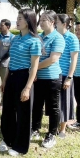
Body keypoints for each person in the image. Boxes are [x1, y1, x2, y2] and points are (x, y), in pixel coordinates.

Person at [0, 8, 41, 156]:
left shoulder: (34, 41)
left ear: (29, 22)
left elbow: (34, 67)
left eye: (21, 18)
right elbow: (11, 62)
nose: (17, 20)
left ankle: (20, 146)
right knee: (7, 111)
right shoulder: (15, 39)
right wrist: (5, 80)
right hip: (12, 76)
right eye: (18, 17)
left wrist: (27, 88)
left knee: (23, 114)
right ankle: (8, 140)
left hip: (24, 77)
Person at [31, 10, 65, 149]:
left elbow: (53, 59)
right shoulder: (39, 37)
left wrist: (35, 68)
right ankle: (35, 129)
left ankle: (51, 134)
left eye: (44, 20)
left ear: (52, 22)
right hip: (38, 78)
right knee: (37, 105)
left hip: (52, 78)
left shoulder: (58, 38)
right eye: (40, 19)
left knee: (53, 107)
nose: (41, 22)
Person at [55, 14, 79, 138]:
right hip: (53, 74)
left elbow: (74, 59)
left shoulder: (72, 38)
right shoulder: (54, 36)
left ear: (64, 24)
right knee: (54, 102)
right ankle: (53, 126)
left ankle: (62, 129)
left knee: (64, 102)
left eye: (57, 22)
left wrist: (69, 78)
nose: (54, 24)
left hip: (65, 74)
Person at [0, 19, 15, 110]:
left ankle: (4, 102)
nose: (0, 27)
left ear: (8, 27)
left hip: (5, 65)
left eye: (2, 25)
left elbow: (9, 52)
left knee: (4, 85)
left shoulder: (12, 38)